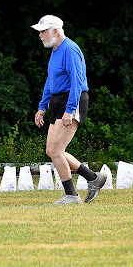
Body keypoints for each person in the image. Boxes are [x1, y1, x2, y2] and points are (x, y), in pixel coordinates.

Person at [31, 15, 107, 205]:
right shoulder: (55, 51)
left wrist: (70, 109)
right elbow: (50, 81)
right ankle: (92, 178)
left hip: (72, 100)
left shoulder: (70, 50)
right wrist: (42, 107)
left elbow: (77, 82)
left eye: (43, 31)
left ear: (55, 31)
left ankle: (71, 195)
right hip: (58, 101)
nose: (40, 35)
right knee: (52, 150)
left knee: (56, 150)